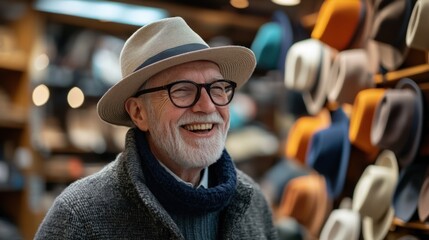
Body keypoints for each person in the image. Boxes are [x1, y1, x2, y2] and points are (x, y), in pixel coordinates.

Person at [35, 17, 278, 239]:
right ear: (139, 113)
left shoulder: (253, 202)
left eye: (217, 88)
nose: (207, 106)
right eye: (182, 90)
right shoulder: (80, 217)